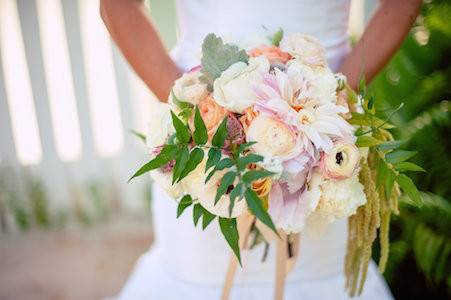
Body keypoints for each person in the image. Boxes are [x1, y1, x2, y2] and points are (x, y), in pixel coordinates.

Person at [100, 1, 422, 299]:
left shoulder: (328, 124)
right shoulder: (200, 124)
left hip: (326, 138)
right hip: (201, 142)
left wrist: (328, 106)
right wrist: (200, 116)